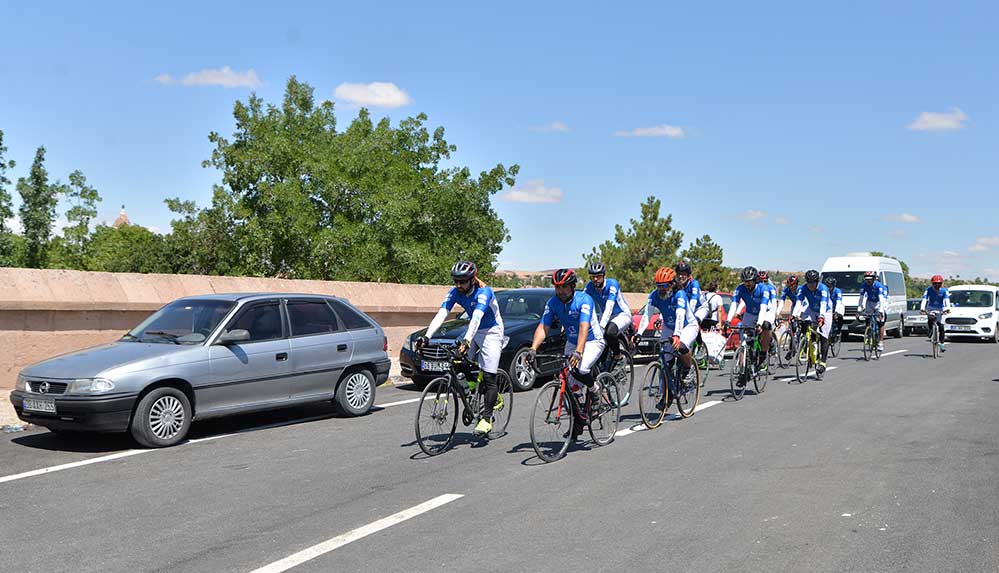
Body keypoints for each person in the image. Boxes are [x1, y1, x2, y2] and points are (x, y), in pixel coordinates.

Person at [416, 261, 504, 435]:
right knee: (456, 359)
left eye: (462, 281)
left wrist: (467, 341)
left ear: (472, 279)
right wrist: (427, 336)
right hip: (474, 329)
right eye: (455, 281)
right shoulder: (455, 292)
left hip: (492, 332)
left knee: (489, 376)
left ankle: (487, 418)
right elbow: (442, 313)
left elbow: (477, 317)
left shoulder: (483, 292)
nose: (458, 285)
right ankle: (471, 389)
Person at [526, 269, 604, 437]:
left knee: (581, 369)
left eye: (564, 287)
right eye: (557, 287)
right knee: (568, 382)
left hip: (592, 340)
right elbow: (543, 326)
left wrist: (578, 352)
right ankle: (579, 420)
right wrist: (533, 348)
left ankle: (594, 388)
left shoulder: (584, 300)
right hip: (572, 341)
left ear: (573, 286)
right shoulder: (553, 302)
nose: (560, 291)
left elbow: (584, 327)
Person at [634, 267, 697, 379]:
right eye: (659, 286)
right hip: (669, 326)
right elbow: (647, 315)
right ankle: (666, 393)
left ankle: (688, 370)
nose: (661, 289)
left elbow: (680, 316)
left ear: (673, 284)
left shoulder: (679, 295)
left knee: (681, 346)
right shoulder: (654, 295)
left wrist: (677, 335)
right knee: (665, 363)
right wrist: (639, 333)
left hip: (688, 326)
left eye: (665, 286)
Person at [726, 266, 774, 373]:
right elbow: (734, 304)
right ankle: (743, 370)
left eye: (750, 281)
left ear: (755, 280)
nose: (747, 284)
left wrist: (759, 324)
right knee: (744, 340)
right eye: (745, 281)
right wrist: (728, 320)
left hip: (765, 312)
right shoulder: (740, 288)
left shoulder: (763, 289)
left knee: (766, 326)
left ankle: (763, 354)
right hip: (750, 313)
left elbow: (763, 308)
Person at [584, 261, 632, 361]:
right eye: (593, 277)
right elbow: (581, 300)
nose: (595, 279)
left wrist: (601, 326)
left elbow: (609, 307)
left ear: (604, 276)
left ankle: (618, 356)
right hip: (606, 316)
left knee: (609, 333)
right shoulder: (590, 286)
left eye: (598, 276)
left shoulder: (612, 284)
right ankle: (602, 365)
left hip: (621, 315)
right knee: (595, 338)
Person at [792, 270, 832, 372]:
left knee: (823, 336)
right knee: (805, 324)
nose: (810, 285)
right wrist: (794, 315)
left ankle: (823, 362)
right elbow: (799, 302)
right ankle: (809, 343)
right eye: (808, 283)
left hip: (825, 310)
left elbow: (823, 304)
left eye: (813, 283)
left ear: (817, 281)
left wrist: (822, 317)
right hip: (811, 309)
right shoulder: (803, 288)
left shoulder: (823, 289)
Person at [858, 270, 889, 351]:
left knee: (880, 323)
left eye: (870, 279)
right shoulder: (864, 285)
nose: (868, 281)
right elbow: (861, 297)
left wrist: (881, 311)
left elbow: (882, 299)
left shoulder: (879, 286)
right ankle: (869, 335)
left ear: (874, 279)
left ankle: (881, 342)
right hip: (870, 302)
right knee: (867, 318)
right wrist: (859, 309)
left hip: (879, 302)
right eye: (866, 279)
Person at [920, 275, 951, 353]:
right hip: (931, 307)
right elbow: (924, 299)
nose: (937, 285)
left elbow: (947, 299)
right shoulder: (928, 290)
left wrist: (948, 308)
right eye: (935, 283)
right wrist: (922, 308)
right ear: (932, 284)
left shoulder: (944, 290)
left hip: (940, 308)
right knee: (930, 318)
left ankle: (942, 343)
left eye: (939, 283)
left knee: (941, 326)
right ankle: (930, 330)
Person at [824, 276, 845, 342]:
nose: (828, 288)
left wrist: (836, 312)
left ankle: (838, 331)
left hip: (838, 306)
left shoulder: (838, 291)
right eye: (827, 286)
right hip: (829, 307)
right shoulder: (825, 291)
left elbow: (839, 302)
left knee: (839, 316)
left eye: (830, 286)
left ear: (833, 286)